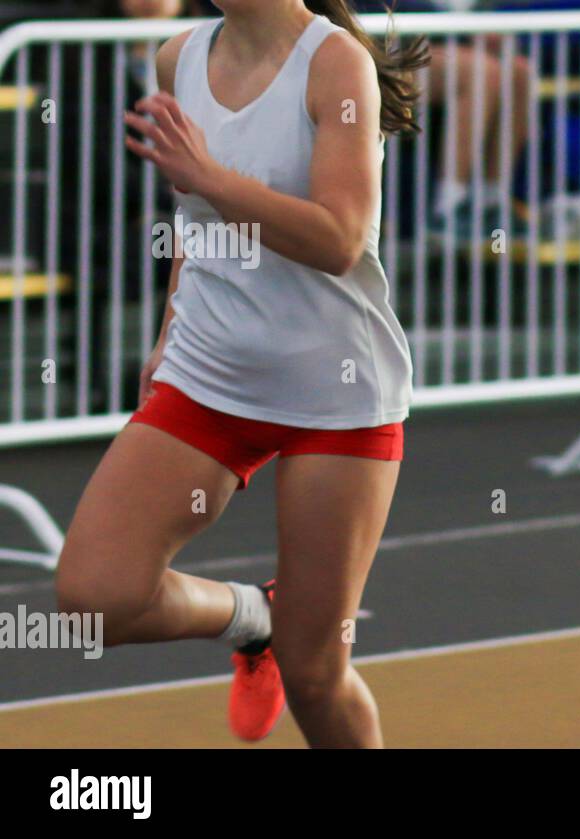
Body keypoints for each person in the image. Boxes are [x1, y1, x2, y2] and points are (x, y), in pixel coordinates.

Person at [55, 0, 426, 748]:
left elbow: (338, 238)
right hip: (210, 369)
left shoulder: (335, 65)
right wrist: (168, 337)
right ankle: (253, 616)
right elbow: (195, 225)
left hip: (334, 390)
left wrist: (211, 175)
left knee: (316, 672)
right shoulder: (177, 57)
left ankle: (284, 639)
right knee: (93, 599)